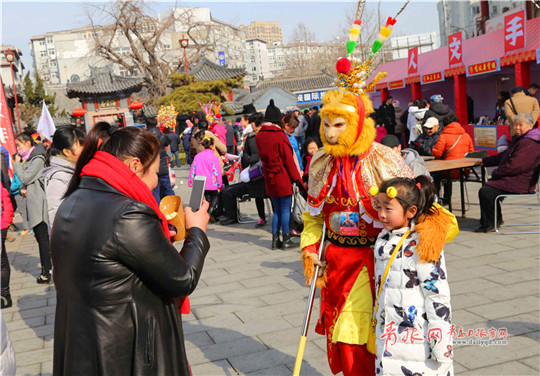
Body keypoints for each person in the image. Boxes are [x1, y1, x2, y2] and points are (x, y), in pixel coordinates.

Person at [51, 123, 210, 375]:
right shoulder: (128, 213)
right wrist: (197, 231)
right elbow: (182, 278)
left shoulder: (74, 199)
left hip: (85, 343)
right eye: (155, 171)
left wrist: (154, 239)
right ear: (135, 166)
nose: (156, 180)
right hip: (126, 350)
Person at [300, 83, 414, 374]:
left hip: (374, 260)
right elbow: (314, 216)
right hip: (336, 262)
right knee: (343, 334)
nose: (329, 133)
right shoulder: (321, 160)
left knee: (359, 336)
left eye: (338, 125)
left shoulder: (382, 158)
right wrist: (310, 249)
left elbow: (415, 205)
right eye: (325, 124)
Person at [371, 176, 454, 375]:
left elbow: (437, 296)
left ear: (411, 211)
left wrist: (441, 345)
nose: (381, 214)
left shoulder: (423, 243)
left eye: (388, 208)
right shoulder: (383, 239)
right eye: (379, 206)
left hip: (419, 345)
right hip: (388, 339)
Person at [476, 113, 540, 232]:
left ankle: (490, 223)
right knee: (489, 188)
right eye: (515, 125)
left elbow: (515, 166)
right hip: (516, 177)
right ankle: (494, 220)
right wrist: (484, 161)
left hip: (522, 181)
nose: (517, 128)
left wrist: (496, 173)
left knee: (486, 191)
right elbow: (504, 156)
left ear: (530, 126)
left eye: (520, 125)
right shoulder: (521, 139)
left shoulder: (529, 142)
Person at [256, 100, 303, 250]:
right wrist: (296, 178)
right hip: (282, 176)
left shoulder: (259, 136)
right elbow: (288, 159)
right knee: (285, 209)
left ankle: (275, 240)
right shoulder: (280, 136)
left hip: (269, 178)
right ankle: (287, 238)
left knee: (276, 210)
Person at [13, 131, 51, 284]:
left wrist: (16, 164)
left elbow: (26, 177)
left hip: (39, 203)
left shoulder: (38, 158)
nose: (17, 148)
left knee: (42, 237)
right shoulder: (31, 157)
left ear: (28, 144)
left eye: (18, 145)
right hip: (34, 200)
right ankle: (48, 267)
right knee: (41, 237)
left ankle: (46, 272)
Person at [220, 112, 268, 227]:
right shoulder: (261, 136)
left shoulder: (252, 137)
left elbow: (246, 155)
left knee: (259, 196)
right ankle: (267, 216)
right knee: (263, 196)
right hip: (265, 170)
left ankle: (262, 217)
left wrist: (251, 161)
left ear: (253, 123)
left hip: (255, 171)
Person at [42, 127, 85, 226]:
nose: (85, 149)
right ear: (67, 152)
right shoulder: (59, 178)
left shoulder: (75, 171)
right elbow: (56, 216)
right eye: (81, 145)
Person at [431, 114, 474, 203]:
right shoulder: (466, 135)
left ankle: (436, 198)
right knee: (447, 173)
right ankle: (447, 198)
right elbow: (471, 154)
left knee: (436, 175)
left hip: (448, 171)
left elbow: (436, 153)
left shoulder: (444, 136)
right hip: (462, 171)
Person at [189, 135, 223, 222]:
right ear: (211, 146)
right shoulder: (213, 157)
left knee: (208, 198)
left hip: (201, 182)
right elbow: (217, 171)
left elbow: (193, 168)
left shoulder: (198, 156)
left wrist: (191, 180)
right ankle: (209, 213)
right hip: (212, 182)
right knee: (215, 197)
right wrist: (220, 183)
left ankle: (209, 213)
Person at [146, 117, 174, 204]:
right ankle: (174, 206)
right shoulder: (162, 135)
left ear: (146, 125)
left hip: (151, 167)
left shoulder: (145, 137)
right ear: (156, 124)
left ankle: (158, 210)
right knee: (168, 189)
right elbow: (168, 142)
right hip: (162, 165)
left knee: (155, 191)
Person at [1, 175, 14, 309]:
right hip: (2, 226)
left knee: (2, 261)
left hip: (1, 227)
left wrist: (6, 221)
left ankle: (4, 294)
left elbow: (8, 204)